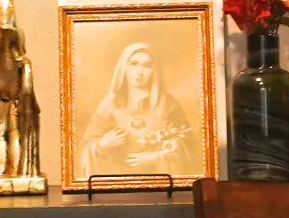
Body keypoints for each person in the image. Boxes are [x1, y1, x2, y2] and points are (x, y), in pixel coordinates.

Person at [78, 40, 203, 177]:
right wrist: (102, 145)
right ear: (124, 67)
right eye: (133, 64)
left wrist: (155, 157)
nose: (139, 72)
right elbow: (86, 147)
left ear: (155, 70)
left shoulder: (168, 105)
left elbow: (188, 147)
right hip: (117, 183)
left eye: (147, 66)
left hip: (159, 182)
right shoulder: (110, 104)